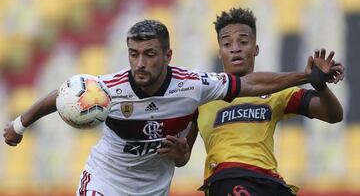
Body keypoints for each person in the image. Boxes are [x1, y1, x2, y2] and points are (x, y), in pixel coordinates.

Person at [3, 19, 341, 196]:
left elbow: (247, 85)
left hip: (152, 189)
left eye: (149, 54)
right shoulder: (107, 88)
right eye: (133, 53)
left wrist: (307, 76)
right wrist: (19, 125)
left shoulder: (193, 87)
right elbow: (59, 95)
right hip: (106, 180)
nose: (140, 63)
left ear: (167, 56)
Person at [158, 8, 345, 196]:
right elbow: (182, 157)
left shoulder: (276, 90)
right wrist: (180, 154)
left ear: (255, 49)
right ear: (219, 52)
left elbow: (334, 116)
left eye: (243, 42)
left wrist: (321, 87)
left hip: (272, 182)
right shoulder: (203, 95)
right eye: (227, 43)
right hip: (228, 178)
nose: (235, 48)